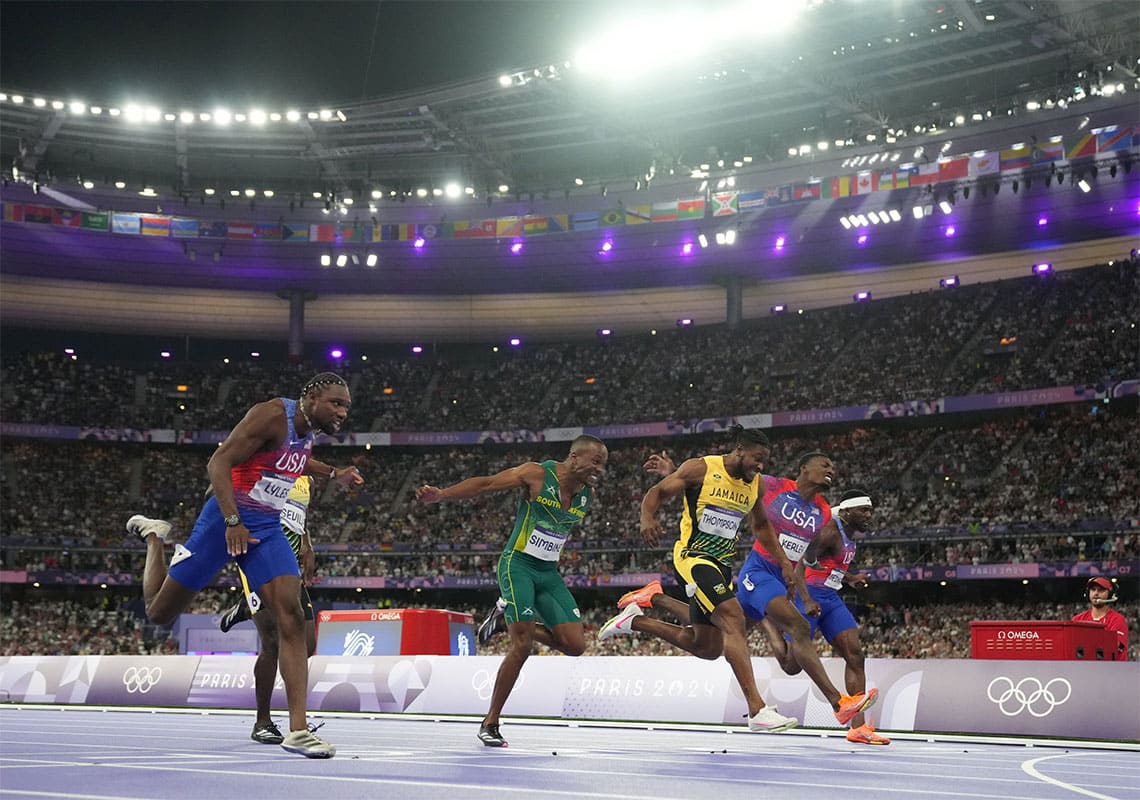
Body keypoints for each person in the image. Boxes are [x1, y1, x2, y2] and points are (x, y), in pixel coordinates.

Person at [126, 372, 364, 758]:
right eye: (336, 404)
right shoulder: (272, 415)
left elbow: (296, 461)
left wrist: (334, 473)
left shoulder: (307, 433)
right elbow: (218, 463)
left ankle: (299, 730)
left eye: (346, 407)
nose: (342, 412)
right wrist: (233, 522)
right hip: (224, 522)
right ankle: (155, 538)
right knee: (158, 613)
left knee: (290, 617)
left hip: (268, 528)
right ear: (313, 397)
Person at [621, 449, 877, 729]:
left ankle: (654, 598)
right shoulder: (775, 486)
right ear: (804, 468)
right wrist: (673, 471)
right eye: (825, 463)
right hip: (758, 573)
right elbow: (724, 482)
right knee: (799, 627)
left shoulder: (823, 510)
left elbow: (809, 556)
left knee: (711, 639)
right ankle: (839, 704)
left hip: (780, 579)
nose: (831, 468)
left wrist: (827, 575)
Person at [415, 434, 609, 748]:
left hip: (548, 573)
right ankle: (490, 722)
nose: (599, 469)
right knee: (522, 646)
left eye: (603, 465)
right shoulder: (536, 474)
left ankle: (507, 616)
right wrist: (441, 495)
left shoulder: (587, 493)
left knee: (575, 645)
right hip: (517, 566)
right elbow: (486, 484)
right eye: (595, 462)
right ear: (575, 457)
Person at [598, 430, 798, 732]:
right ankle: (757, 709)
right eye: (757, 459)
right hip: (693, 557)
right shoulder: (702, 468)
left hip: (721, 564)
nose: (760, 467)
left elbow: (761, 526)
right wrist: (647, 517)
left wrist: (784, 561)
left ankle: (637, 619)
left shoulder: (753, 485)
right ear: (740, 449)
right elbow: (658, 493)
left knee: (707, 647)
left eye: (764, 463)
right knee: (733, 618)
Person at [771, 489, 890, 744]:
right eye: (864, 511)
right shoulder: (829, 532)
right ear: (847, 513)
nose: (869, 515)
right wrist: (807, 599)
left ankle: (858, 728)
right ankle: (766, 622)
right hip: (810, 596)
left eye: (870, 510)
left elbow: (830, 565)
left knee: (855, 654)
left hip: (831, 598)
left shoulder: (848, 533)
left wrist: (851, 578)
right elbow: (800, 566)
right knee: (791, 666)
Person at [218, 474, 320, 744]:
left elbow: (300, 514)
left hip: (288, 567)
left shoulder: (306, 478)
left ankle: (244, 605)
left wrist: (308, 544)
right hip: (260, 558)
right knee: (273, 642)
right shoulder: (264, 465)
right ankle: (263, 722)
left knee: (306, 643)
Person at [1072, 577, 1129, 660]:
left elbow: (1112, 647)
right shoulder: (1077, 619)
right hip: (1084, 669)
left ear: (1110, 594)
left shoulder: (1117, 620)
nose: (1096, 593)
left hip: (1112, 670)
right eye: (1093, 589)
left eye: (1101, 590)